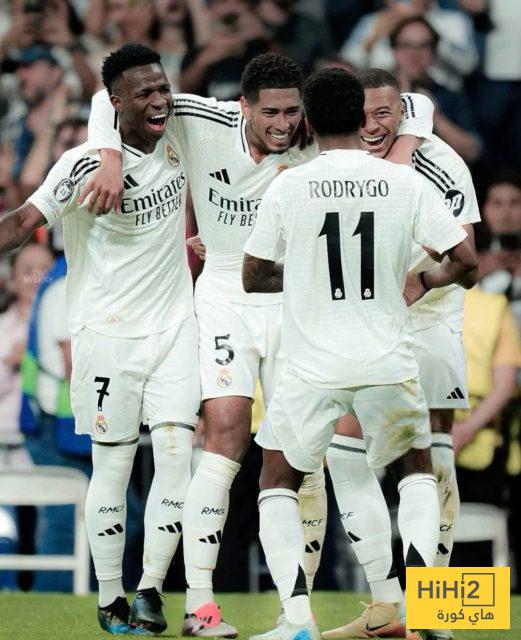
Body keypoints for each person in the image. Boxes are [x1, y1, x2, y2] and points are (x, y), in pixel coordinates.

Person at [84, 51, 327, 638]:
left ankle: (303, 614)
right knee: (223, 442)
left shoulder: (318, 137)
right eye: (270, 113)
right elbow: (105, 99)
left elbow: (402, 115)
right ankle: (199, 606)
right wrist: (110, 156)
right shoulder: (200, 119)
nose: (283, 125)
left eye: (292, 112)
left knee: (308, 458)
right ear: (243, 107)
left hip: (295, 299)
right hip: (223, 294)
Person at [242, 66, 477, 640]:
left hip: (318, 363)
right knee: (411, 469)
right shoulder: (407, 182)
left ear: (309, 121)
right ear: (361, 117)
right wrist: (418, 281)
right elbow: (468, 262)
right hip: (390, 354)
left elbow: (253, 276)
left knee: (277, 479)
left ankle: (302, 619)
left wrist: (308, 279)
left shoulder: (290, 186)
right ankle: (413, 607)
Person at [0, 43, 200, 635]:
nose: (160, 100)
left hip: (175, 328)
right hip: (107, 337)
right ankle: (111, 596)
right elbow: (22, 222)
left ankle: (150, 590)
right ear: (117, 104)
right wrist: (107, 154)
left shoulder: (177, 134)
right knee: (112, 467)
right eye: (145, 94)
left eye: (163, 88)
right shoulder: (82, 166)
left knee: (176, 457)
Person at [324, 72, 480, 640]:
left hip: (429, 321)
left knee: (433, 452)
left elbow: (469, 260)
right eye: (364, 114)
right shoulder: (343, 160)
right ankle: (388, 604)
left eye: (385, 114)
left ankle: (435, 613)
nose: (372, 126)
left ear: (402, 114)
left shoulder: (440, 163)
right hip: (369, 323)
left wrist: (422, 282)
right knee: (343, 452)